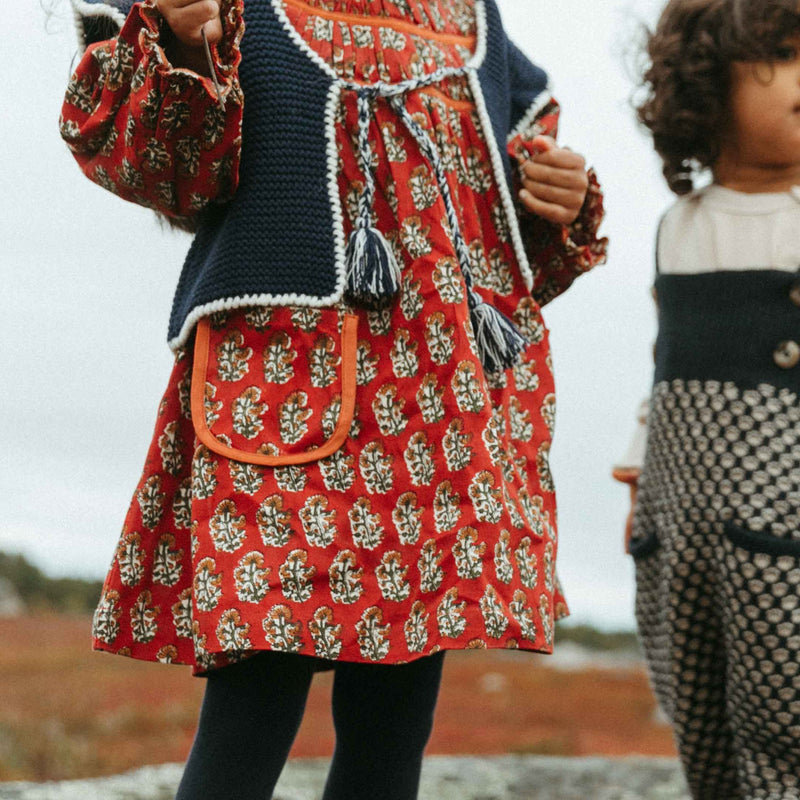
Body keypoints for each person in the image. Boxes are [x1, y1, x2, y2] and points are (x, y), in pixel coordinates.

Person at [60, 0, 607, 796]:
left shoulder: (473, 20)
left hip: (440, 415)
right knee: (254, 702)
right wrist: (180, 42)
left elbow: (505, 226)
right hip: (283, 395)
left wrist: (561, 196)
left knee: (396, 721)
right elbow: (165, 174)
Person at [617, 1, 800, 797]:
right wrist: (635, 479)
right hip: (680, 517)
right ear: (703, 83)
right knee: (699, 705)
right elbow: (664, 366)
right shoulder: (676, 227)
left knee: (785, 715)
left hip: (785, 523)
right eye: (786, 56)